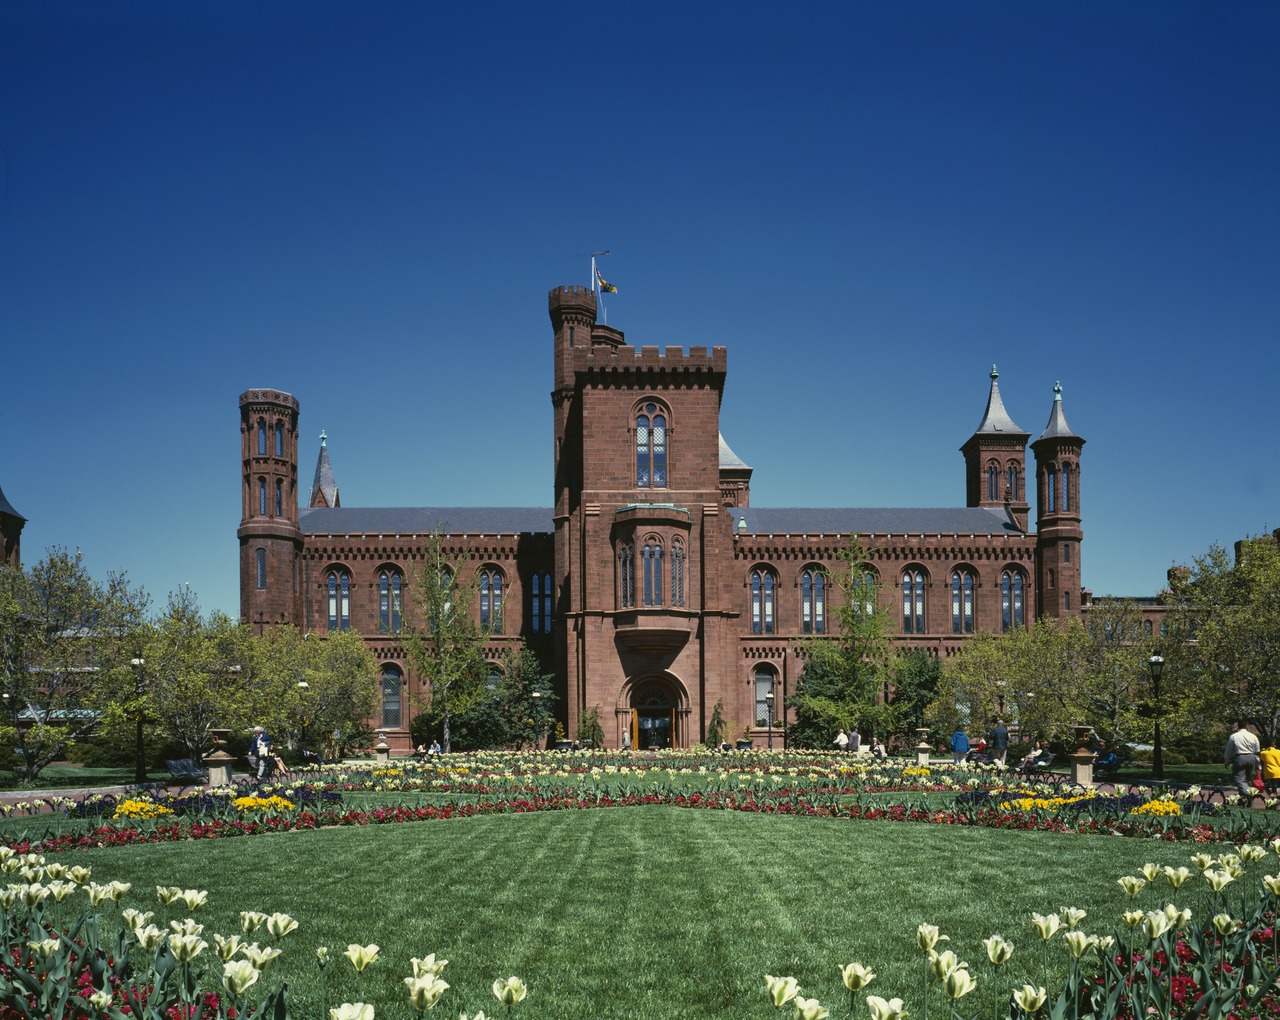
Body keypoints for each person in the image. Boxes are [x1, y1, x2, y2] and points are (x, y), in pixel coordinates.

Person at [1225, 721, 1262, 800]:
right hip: (1251, 757)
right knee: (1246, 779)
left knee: (1239, 778)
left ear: (1238, 726)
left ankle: (1247, 793)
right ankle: (1243, 798)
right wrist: (1258, 765)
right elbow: (1257, 751)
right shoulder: (1253, 736)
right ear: (1246, 726)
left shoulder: (1234, 736)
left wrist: (1226, 760)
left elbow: (1229, 750)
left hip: (1240, 757)